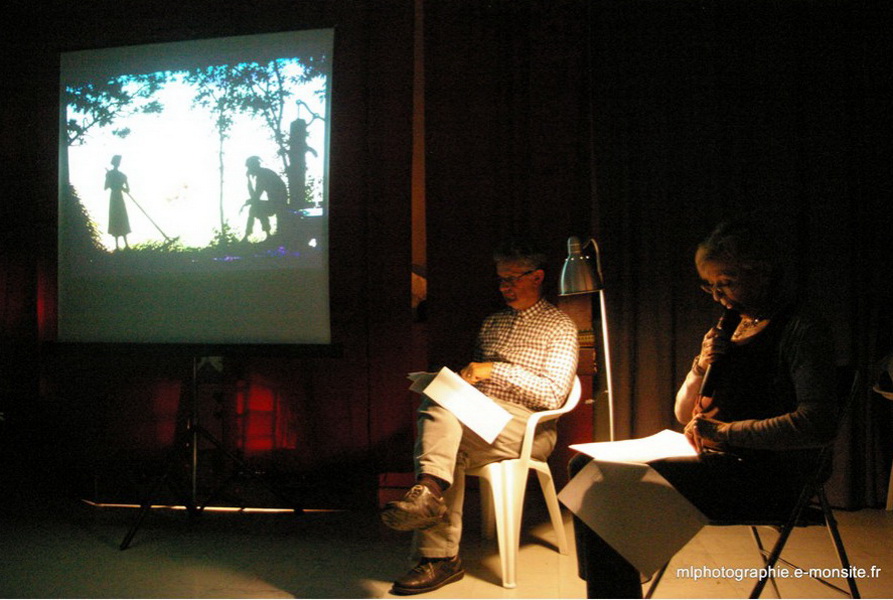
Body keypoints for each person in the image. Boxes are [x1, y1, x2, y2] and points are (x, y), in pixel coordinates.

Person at [572, 217, 839, 598]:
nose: (717, 296)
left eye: (725, 283)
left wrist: (723, 432)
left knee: (609, 485)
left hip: (770, 477)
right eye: (709, 285)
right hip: (720, 461)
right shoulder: (732, 326)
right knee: (584, 467)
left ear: (762, 272)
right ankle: (614, 587)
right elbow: (684, 414)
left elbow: (816, 424)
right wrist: (700, 366)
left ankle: (615, 589)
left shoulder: (802, 329)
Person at [381, 239, 579, 595]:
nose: (504, 287)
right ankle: (437, 534)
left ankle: (432, 522)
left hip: (528, 427)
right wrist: (462, 381)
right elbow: (478, 381)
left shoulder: (559, 327)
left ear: (537, 277)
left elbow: (553, 395)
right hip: (480, 419)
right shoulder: (493, 323)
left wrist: (494, 370)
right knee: (442, 414)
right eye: (501, 279)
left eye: (513, 279)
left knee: (440, 425)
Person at [242, 156, 288, 242]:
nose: (248, 169)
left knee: (255, 208)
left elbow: (256, 196)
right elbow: (255, 196)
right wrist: (249, 181)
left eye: (249, 167)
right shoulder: (264, 173)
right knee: (255, 207)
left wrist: (249, 183)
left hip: (278, 203)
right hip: (277, 202)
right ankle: (263, 234)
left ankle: (261, 235)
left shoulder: (263, 175)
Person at [105, 155, 131, 250]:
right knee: (116, 218)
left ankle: (125, 245)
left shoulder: (121, 175)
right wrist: (113, 182)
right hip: (115, 198)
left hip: (117, 198)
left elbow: (127, 189)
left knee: (121, 218)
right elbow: (106, 187)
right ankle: (117, 246)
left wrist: (120, 186)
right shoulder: (114, 175)